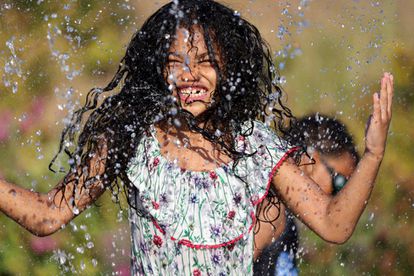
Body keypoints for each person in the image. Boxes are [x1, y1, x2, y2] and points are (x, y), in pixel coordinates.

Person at [0, 1, 393, 275]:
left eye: (205, 62)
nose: (190, 75)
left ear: (228, 69)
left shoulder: (254, 148)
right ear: (159, 71)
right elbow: (47, 215)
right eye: (176, 63)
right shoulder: (132, 139)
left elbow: (333, 225)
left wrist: (373, 154)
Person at [253, 113, 360, 276]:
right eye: (339, 183)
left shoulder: (281, 213)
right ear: (310, 159)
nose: (340, 198)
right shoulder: (271, 211)